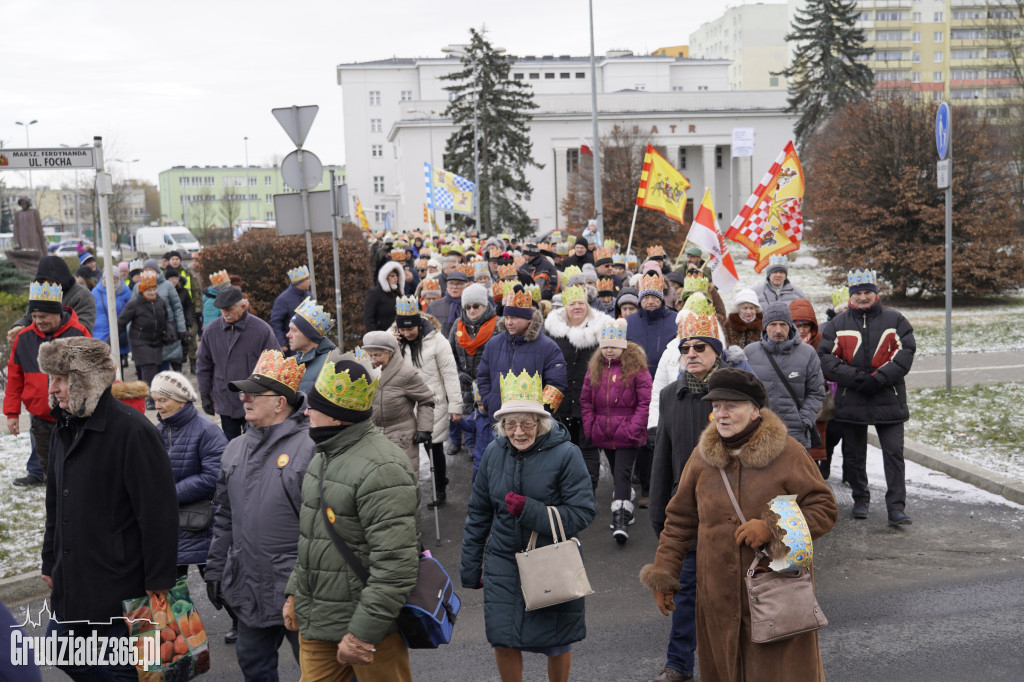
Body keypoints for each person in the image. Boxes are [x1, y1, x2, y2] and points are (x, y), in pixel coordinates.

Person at [640, 368, 837, 682]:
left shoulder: (788, 452)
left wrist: (773, 527)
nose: (722, 413)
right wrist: (664, 574)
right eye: (716, 406)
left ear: (755, 410)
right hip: (717, 597)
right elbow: (678, 520)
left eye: (732, 405)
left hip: (776, 593)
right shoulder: (702, 458)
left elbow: (823, 508)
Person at [39, 337, 178, 681]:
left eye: (60, 379)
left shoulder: (133, 431)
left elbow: (159, 514)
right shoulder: (64, 428)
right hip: (72, 579)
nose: (53, 388)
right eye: (51, 379)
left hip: (119, 587)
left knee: (123, 672)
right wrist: (48, 559)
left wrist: (159, 582)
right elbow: (55, 503)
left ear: (86, 380)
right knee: (61, 651)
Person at [283, 351, 421, 681]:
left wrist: (362, 632)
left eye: (314, 407)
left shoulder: (383, 468)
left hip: (370, 631)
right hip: (318, 620)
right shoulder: (324, 454)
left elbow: (396, 565)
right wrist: (294, 593)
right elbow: (311, 539)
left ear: (338, 417)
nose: (306, 411)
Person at [461, 369, 596, 682]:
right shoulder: (494, 453)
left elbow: (582, 513)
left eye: (526, 423)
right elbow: (478, 512)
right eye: (510, 423)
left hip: (551, 560)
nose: (518, 431)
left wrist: (530, 510)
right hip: (503, 562)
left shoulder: (567, 455)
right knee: (502, 637)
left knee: (556, 640)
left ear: (541, 422)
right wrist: (470, 567)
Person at [206, 350, 314, 673]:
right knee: (253, 664)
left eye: (254, 394)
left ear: (281, 402)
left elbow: (322, 527)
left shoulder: (311, 448)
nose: (244, 399)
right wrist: (214, 569)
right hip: (249, 585)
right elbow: (224, 516)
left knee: (320, 671)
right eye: (243, 393)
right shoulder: (235, 448)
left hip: (298, 588)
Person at [644, 294, 729, 682]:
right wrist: (660, 518)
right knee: (685, 594)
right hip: (688, 515)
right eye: (685, 348)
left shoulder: (737, 395)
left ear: (716, 351)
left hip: (730, 516)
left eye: (700, 347)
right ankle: (678, 664)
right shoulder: (669, 396)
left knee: (730, 598)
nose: (691, 353)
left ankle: (733, 665)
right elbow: (662, 461)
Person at [817, 269, 916, 525]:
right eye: (858, 293)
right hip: (853, 397)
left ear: (875, 294)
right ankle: (860, 498)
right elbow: (826, 357)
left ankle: (896, 507)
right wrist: (856, 378)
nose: (863, 297)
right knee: (854, 454)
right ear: (851, 296)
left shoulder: (895, 319)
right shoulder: (838, 324)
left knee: (893, 453)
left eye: (867, 292)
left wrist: (880, 378)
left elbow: (906, 351)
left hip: (889, 398)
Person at [4, 282, 89, 487]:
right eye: (34, 317)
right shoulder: (23, 338)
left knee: (76, 471)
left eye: (43, 316)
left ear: (57, 313)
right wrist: (12, 413)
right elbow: (14, 379)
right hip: (41, 417)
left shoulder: (79, 333)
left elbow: (91, 374)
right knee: (51, 473)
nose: (38, 321)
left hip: (73, 416)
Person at [151, 371, 227, 583]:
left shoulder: (208, 430)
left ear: (181, 401)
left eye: (163, 400)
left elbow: (213, 476)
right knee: (173, 600)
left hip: (202, 523)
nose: (157, 406)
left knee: (224, 594)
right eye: (155, 400)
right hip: (172, 523)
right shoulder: (158, 430)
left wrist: (168, 495)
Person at [580, 319, 651, 542]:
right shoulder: (595, 369)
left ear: (623, 346)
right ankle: (625, 502)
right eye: (605, 346)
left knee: (621, 474)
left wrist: (634, 428)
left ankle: (620, 517)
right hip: (604, 432)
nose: (609, 350)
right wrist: (590, 426)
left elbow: (645, 401)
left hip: (628, 432)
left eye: (614, 346)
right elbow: (586, 400)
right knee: (617, 472)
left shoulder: (636, 368)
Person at [393, 298, 462, 507]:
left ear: (419, 323)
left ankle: (439, 488)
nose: (407, 334)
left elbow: (450, 374)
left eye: (410, 329)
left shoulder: (437, 341)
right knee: (408, 449)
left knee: (434, 448)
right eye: (402, 330)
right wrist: (393, 348)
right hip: (405, 405)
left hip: (433, 404)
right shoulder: (394, 341)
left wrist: (455, 407)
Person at [544, 284, 611, 490]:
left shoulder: (601, 329)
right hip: (561, 401)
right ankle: (567, 487)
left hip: (590, 400)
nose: (577, 307)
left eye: (581, 303)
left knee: (589, 447)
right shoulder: (552, 332)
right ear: (565, 307)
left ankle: (588, 489)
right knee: (564, 447)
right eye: (572, 303)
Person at [196, 286, 280, 440]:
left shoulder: (261, 330)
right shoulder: (212, 331)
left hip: (256, 402)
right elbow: (203, 365)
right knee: (231, 447)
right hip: (225, 400)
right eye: (222, 310)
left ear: (243, 306)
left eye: (229, 309)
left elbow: (275, 363)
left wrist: (271, 396)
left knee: (256, 446)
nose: (225, 314)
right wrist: (204, 394)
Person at [476, 285, 568, 421]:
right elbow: (483, 377)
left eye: (514, 318)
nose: (509, 323)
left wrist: (540, 414)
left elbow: (556, 385)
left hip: (533, 423)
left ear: (528, 319)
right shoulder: (493, 344)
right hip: (499, 419)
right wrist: (489, 401)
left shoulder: (549, 347)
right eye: (506, 317)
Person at [743, 302, 825, 451]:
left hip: (795, 435)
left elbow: (816, 392)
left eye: (783, 324)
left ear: (790, 326)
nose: (778, 330)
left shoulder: (808, 353)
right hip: (757, 433)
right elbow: (742, 391)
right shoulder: (749, 352)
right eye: (773, 324)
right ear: (765, 327)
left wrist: (804, 420)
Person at [626, 271, 678, 507]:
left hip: (668, 385)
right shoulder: (629, 323)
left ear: (661, 298)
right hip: (636, 388)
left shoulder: (674, 320)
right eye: (645, 297)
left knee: (669, 437)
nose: (650, 301)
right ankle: (648, 488)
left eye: (654, 297)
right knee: (645, 439)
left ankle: (674, 486)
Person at [362, 330, 435, 467]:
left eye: (377, 355)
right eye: (370, 355)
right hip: (373, 433)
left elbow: (426, 399)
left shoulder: (405, 374)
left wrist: (424, 429)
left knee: (403, 478)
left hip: (401, 435)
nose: (373, 360)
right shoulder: (366, 371)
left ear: (390, 352)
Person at [448, 282, 503, 461]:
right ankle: (467, 444)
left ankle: (481, 447)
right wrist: (458, 372)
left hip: (487, 381)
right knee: (466, 412)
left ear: (485, 305)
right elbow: (450, 354)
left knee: (483, 417)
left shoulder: (497, 325)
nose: (471, 310)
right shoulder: (458, 325)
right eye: (468, 306)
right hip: (464, 379)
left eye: (476, 306)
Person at [8, 255, 96, 338]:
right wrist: (18, 327)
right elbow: (29, 316)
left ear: (63, 278)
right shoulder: (42, 289)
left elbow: (83, 330)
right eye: (42, 281)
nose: (47, 285)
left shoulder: (83, 296)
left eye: (51, 281)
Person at [119, 271, 177, 392]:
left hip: (157, 340)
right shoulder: (134, 304)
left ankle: (155, 394)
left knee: (158, 369)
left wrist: (170, 330)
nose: (152, 292)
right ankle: (150, 397)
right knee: (149, 367)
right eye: (149, 290)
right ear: (142, 291)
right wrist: (110, 342)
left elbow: (167, 319)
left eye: (154, 289)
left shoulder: (160, 302)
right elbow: (121, 323)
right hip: (140, 341)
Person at [789, 297, 830, 464]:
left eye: (805, 325)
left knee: (815, 439)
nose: (801, 330)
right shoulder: (785, 342)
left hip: (814, 400)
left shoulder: (821, 341)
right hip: (792, 398)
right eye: (796, 325)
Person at [136, 259, 187, 373]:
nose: (149, 273)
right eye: (146, 270)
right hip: (146, 331)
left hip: (166, 330)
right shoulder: (137, 287)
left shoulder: (168, 286)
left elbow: (177, 307)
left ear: (157, 271)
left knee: (164, 363)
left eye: (151, 270)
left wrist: (181, 328)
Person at [288, 298, 337, 394]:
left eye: (294, 330)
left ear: (309, 335)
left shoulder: (330, 363)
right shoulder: (291, 361)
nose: (288, 335)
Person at [91, 268, 132, 369]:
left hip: (119, 331)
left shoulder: (125, 291)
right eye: (109, 278)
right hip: (100, 331)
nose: (112, 281)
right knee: (103, 363)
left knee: (117, 364)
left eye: (115, 278)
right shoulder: (96, 292)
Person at [270, 265, 313, 352]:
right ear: (300, 282)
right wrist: (281, 344)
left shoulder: (309, 296)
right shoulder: (283, 299)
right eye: (307, 279)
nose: (310, 281)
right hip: (292, 348)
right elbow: (276, 323)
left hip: (310, 345)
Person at [426, 267, 468, 338]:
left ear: (465, 286)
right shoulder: (433, 307)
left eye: (459, 284)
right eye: (451, 283)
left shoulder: (471, 306)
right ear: (447, 286)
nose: (454, 287)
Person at [364, 261, 405, 332]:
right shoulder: (374, 293)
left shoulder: (398, 293)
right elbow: (368, 317)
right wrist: (374, 335)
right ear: (385, 277)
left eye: (397, 275)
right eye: (392, 276)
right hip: (381, 334)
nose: (395, 278)